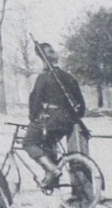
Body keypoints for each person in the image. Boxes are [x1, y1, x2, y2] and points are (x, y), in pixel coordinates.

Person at [24, 42, 87, 189]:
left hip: (51, 120)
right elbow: (81, 108)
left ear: (42, 59)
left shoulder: (43, 78)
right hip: (69, 122)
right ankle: (52, 180)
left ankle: (53, 170)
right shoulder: (69, 77)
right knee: (48, 144)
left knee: (28, 142)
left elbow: (35, 103)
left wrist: (33, 119)